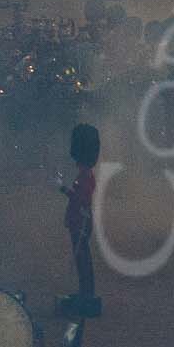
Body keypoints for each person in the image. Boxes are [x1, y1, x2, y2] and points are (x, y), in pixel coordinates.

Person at [61, 123, 100, 310]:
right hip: (80, 219)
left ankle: (87, 293)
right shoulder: (85, 173)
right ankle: (85, 291)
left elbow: (80, 199)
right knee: (82, 258)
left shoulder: (85, 175)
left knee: (83, 259)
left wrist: (62, 188)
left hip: (81, 220)